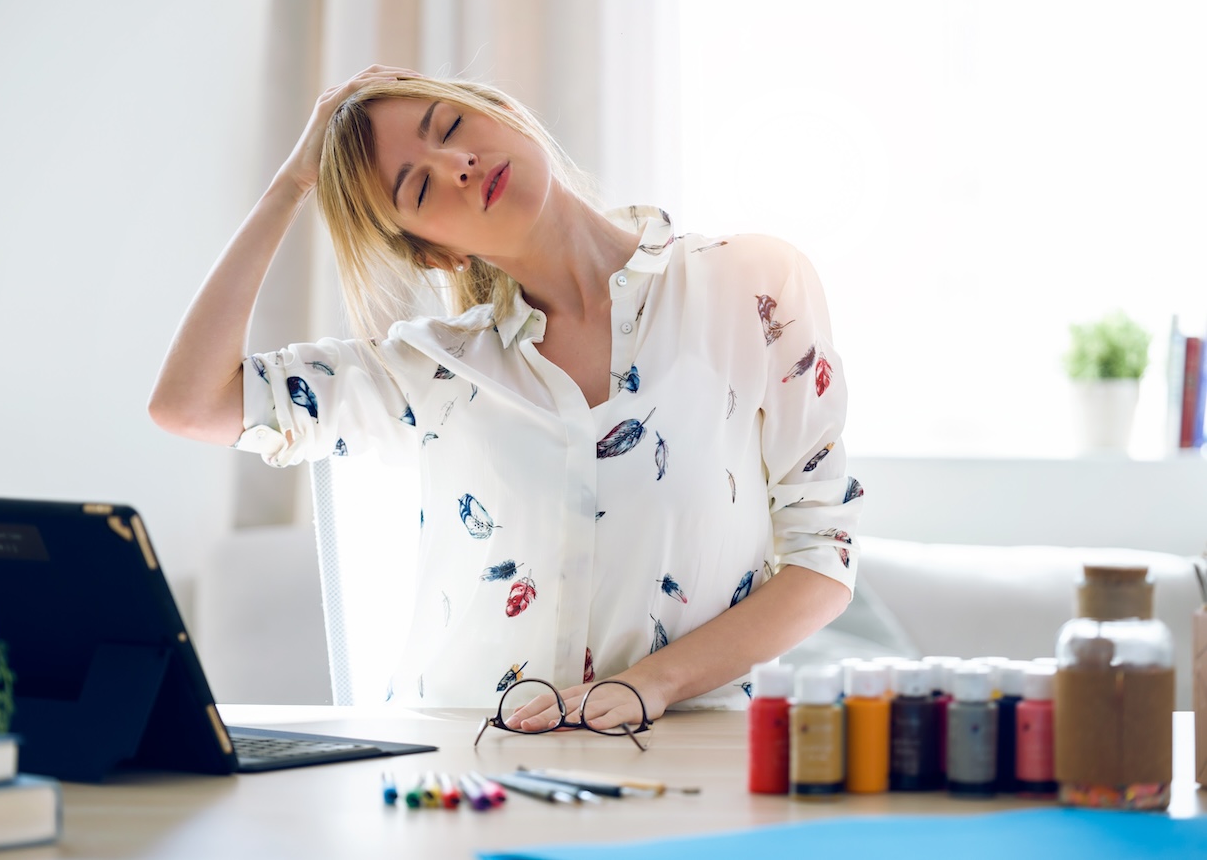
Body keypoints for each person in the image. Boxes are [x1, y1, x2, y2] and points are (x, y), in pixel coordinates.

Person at [149, 64, 863, 734]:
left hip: (686, 761)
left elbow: (823, 556)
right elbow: (190, 402)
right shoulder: (429, 370)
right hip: (468, 769)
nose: (455, 166)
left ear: (507, 112)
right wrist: (293, 183)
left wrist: (656, 682)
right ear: (436, 252)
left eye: (451, 127)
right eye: (420, 190)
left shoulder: (754, 286)